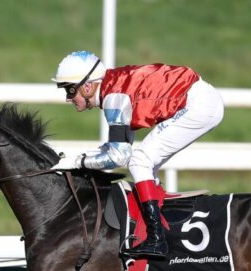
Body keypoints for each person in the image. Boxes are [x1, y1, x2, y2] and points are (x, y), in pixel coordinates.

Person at [52, 50, 225, 259]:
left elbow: (118, 158)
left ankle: (156, 239)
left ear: (87, 86)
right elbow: (118, 148)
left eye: (70, 90)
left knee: (140, 160)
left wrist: (78, 162)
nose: (68, 99)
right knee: (144, 162)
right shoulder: (114, 88)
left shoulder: (114, 98)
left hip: (198, 105)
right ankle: (158, 220)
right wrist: (78, 159)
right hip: (200, 100)